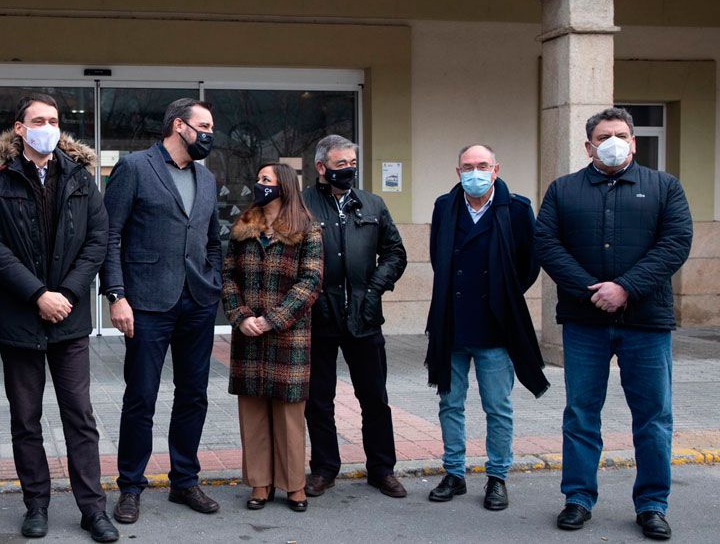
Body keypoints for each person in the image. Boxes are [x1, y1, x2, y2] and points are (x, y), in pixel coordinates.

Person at [535, 107, 692, 540]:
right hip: (585, 322)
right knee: (582, 414)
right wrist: (591, 289)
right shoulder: (564, 190)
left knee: (653, 418)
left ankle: (653, 505)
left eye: (622, 134)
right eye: (604, 135)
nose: (614, 141)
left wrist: (624, 287)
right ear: (589, 145)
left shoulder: (664, 187)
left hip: (647, 322)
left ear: (635, 142)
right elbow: (546, 243)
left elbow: (676, 243)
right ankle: (578, 499)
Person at [0, 95, 118, 542]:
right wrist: (38, 294)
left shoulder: (79, 178)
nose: (48, 127)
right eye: (39, 120)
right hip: (20, 320)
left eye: (54, 120)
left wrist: (67, 294)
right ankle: (36, 504)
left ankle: (93, 509)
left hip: (69, 320)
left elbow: (98, 239)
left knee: (80, 416)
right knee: (26, 419)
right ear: (20, 128)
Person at [101, 98, 223, 524]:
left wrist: (215, 281)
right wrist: (116, 294)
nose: (210, 133)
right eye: (203, 125)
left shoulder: (206, 178)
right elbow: (109, 234)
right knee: (141, 398)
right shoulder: (135, 167)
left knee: (194, 395)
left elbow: (211, 239)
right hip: (147, 302)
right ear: (178, 126)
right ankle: (130, 487)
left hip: (198, 302)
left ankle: (184, 481)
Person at [424, 144, 548, 511]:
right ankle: (454, 473)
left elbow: (530, 262)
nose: (474, 172)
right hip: (452, 323)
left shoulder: (518, 208)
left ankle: (497, 477)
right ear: (457, 170)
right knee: (450, 403)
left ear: (496, 169)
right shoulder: (445, 207)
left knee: (498, 406)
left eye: (482, 165)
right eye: (467, 166)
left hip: (496, 326)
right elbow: (438, 258)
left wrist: (502, 294)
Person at [301, 134, 408, 499]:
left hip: (364, 318)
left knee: (374, 397)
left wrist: (374, 289)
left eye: (351, 163)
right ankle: (325, 468)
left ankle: (382, 469)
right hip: (319, 318)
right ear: (321, 168)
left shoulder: (372, 205)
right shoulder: (303, 205)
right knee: (318, 400)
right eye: (340, 164)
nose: (348, 169)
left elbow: (396, 253)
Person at [223, 163, 324, 513]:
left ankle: (294, 485)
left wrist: (273, 320)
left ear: (284, 186)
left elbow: (310, 282)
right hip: (249, 335)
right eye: (259, 179)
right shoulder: (243, 227)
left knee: (289, 415)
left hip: (288, 336)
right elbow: (228, 277)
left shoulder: (307, 228)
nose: (259, 184)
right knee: (253, 414)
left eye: (267, 180)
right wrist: (241, 316)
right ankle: (260, 484)